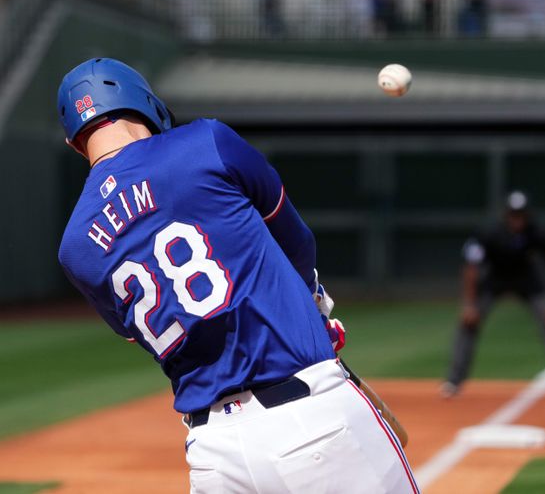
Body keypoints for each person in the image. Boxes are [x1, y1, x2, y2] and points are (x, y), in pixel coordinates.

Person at [57, 58, 419, 493]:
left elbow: (146, 332)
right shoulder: (205, 141)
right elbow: (296, 241)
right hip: (311, 425)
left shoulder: (75, 246)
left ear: (75, 143)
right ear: (147, 103)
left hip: (212, 457)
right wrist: (314, 306)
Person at [442, 190, 545, 402]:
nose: (518, 220)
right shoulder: (489, 231)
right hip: (494, 279)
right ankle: (454, 380)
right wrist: (469, 304)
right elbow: (471, 269)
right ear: (506, 215)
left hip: (528, 279)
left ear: (528, 215)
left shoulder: (539, 231)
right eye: (514, 215)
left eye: (522, 215)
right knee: (468, 322)